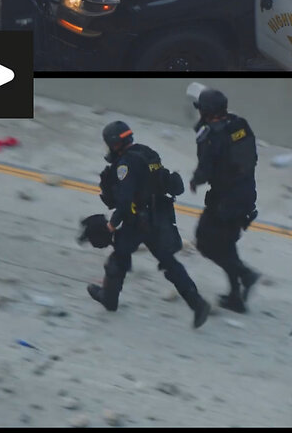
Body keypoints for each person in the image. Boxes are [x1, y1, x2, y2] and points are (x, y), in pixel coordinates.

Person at [88, 121, 210, 328]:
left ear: (115, 143)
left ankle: (109, 299)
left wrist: (112, 225)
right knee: (169, 262)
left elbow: (125, 200)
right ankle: (197, 303)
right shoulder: (147, 152)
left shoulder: (125, 165)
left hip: (137, 221)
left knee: (118, 258)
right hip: (159, 217)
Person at [189, 88, 261, 313]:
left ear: (206, 111)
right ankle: (235, 298)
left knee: (205, 243)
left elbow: (205, 170)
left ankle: (246, 275)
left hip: (224, 201)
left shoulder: (211, 136)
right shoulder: (240, 125)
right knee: (227, 245)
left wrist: (194, 181)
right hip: (246, 194)